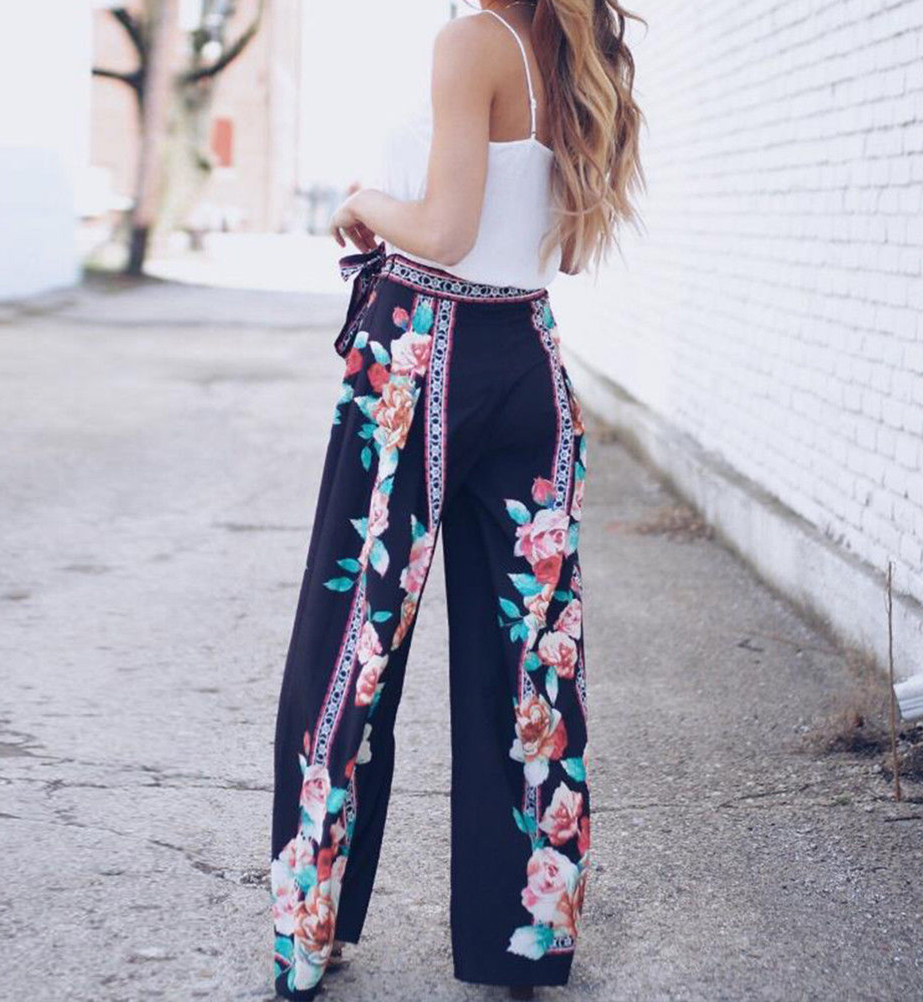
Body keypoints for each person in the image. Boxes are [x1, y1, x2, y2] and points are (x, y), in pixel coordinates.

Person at [268, 1, 645, 998]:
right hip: (528, 359)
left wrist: (362, 201)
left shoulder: (474, 40)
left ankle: (309, 934)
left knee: (351, 640)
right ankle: (518, 942)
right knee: (528, 661)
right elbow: (562, 251)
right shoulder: (566, 53)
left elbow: (443, 229)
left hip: (420, 360)